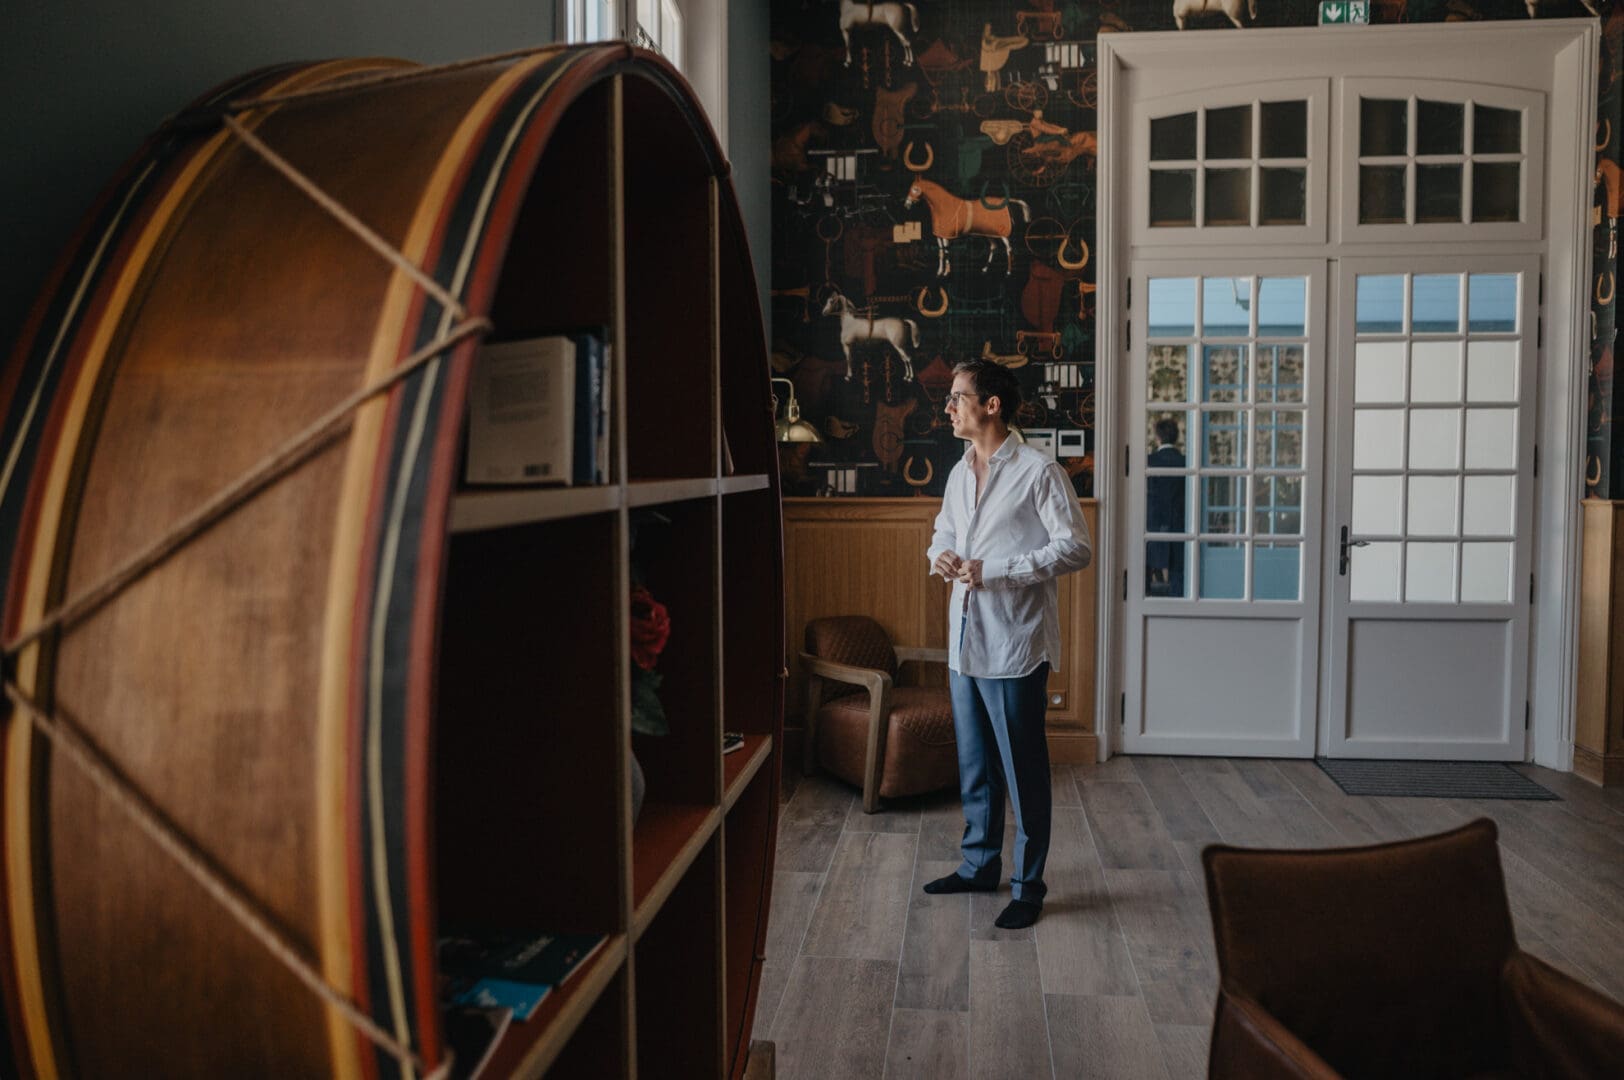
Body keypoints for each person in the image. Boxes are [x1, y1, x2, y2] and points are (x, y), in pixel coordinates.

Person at [923, 359, 1092, 929]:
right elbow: (944, 531)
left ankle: (1028, 886)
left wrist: (995, 571)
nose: (949, 407)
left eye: (958, 397)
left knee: (1023, 770)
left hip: (1016, 645)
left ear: (991, 405)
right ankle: (979, 866)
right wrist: (939, 555)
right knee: (975, 765)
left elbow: (1075, 548)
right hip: (964, 639)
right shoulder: (957, 471)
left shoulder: (1040, 471)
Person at [1145, 416, 1187, 597]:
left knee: (1145, 567)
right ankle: (1179, 604)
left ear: (1157, 438)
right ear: (1176, 437)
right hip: (1180, 523)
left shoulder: (1149, 461)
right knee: (1179, 571)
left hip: (1153, 523)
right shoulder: (1185, 462)